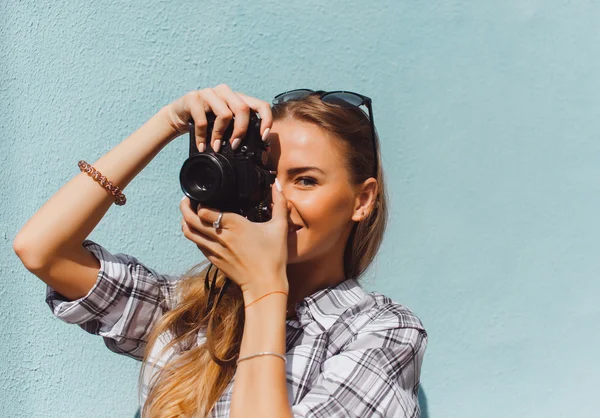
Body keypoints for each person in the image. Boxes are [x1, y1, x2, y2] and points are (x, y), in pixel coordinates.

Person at [13, 84, 428, 417]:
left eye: (305, 181)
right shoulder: (190, 312)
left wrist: (264, 287)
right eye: (266, 176)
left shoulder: (382, 332)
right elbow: (41, 250)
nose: (277, 199)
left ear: (362, 200)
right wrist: (167, 123)